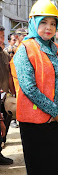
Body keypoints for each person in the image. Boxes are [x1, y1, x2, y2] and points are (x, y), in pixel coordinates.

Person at [11, 0, 58, 175]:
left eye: (53, 23)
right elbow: (29, 88)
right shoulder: (25, 49)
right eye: (44, 22)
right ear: (33, 22)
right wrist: (55, 112)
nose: (49, 27)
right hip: (36, 124)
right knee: (42, 168)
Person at [0, 27, 14, 165]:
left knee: (4, 125)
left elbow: (9, 74)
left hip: (4, 98)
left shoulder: (4, 54)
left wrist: (12, 91)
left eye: (2, 36)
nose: (1, 39)